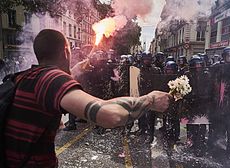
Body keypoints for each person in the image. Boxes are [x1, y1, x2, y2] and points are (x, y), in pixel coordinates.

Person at [3, 29, 172, 167]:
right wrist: (149, 100)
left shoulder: (24, 77)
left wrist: (74, 71)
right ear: (65, 51)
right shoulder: (51, 78)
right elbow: (108, 114)